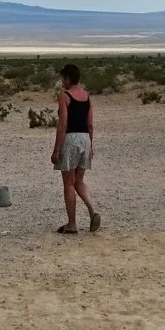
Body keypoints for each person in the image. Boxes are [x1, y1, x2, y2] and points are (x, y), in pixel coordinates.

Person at [51, 63, 101, 234]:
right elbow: (90, 124)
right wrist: (91, 145)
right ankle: (93, 210)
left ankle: (72, 224)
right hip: (85, 138)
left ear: (67, 78)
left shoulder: (65, 96)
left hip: (71, 139)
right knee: (78, 180)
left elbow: (63, 124)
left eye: (63, 79)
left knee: (68, 184)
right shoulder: (87, 96)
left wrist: (56, 149)